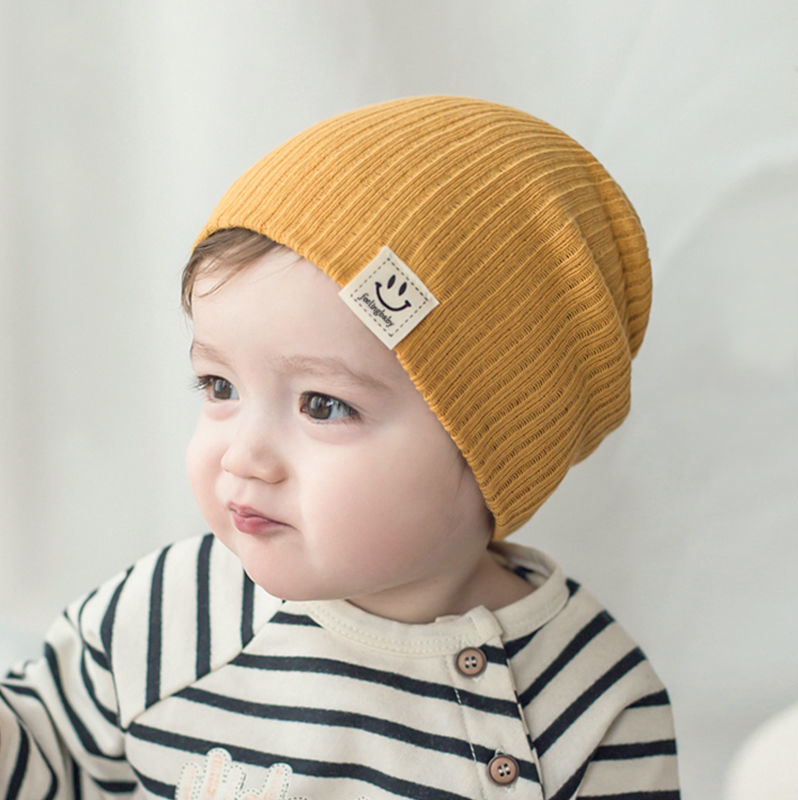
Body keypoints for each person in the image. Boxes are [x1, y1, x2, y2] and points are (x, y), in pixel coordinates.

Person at [0, 96, 680, 799]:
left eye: (322, 405)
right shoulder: (171, 613)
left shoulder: (593, 701)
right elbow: (43, 755)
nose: (243, 457)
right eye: (219, 385)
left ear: (495, 449)